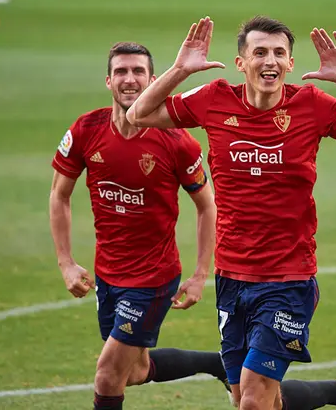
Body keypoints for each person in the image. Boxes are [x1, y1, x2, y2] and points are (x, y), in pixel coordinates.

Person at [127, 15, 336, 410]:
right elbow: (138, 114)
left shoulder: (311, 105)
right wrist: (179, 70)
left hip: (287, 279)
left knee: (254, 401)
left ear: (291, 63)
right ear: (241, 62)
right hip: (232, 276)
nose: (269, 61)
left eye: (279, 53)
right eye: (259, 52)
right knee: (255, 398)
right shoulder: (214, 99)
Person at [49, 41, 230, 410]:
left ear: (153, 80)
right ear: (108, 80)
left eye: (138, 72)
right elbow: (59, 195)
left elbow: (207, 206)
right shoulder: (86, 130)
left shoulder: (176, 141)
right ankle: (219, 364)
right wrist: (65, 261)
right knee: (133, 370)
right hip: (109, 275)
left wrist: (199, 274)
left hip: (153, 279)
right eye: (121, 72)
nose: (129, 80)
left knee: (107, 375)